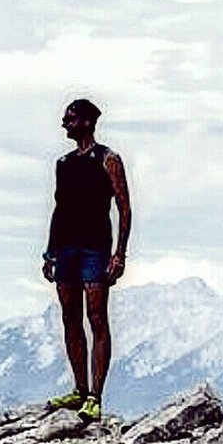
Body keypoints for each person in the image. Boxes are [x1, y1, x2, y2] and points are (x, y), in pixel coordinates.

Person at [41, 98, 130, 422]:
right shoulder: (63, 164)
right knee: (70, 318)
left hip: (95, 249)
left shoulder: (108, 160)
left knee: (96, 318)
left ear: (88, 122)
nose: (64, 123)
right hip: (65, 249)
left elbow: (124, 206)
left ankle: (95, 397)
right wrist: (49, 252)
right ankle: (79, 390)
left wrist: (119, 254)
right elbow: (58, 209)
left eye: (70, 118)